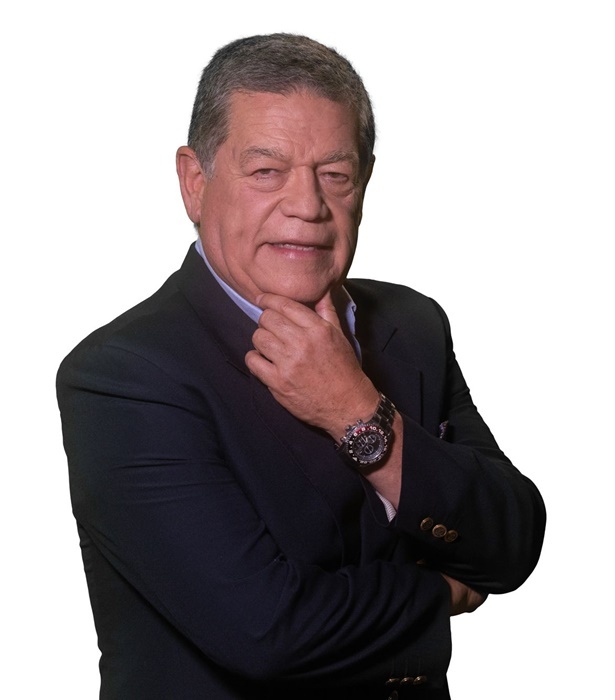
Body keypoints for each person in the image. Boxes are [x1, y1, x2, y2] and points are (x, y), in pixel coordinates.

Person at [57, 34, 546, 700]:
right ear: (194, 183)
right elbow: (265, 631)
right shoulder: (124, 376)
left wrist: (354, 410)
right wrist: (439, 593)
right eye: (267, 171)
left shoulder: (413, 325)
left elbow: (512, 541)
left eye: (334, 175)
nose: (308, 205)